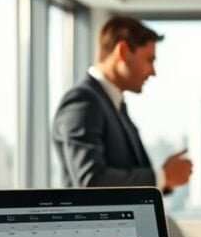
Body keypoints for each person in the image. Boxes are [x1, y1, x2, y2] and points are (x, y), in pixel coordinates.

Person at [52, 16, 192, 190]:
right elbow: (91, 180)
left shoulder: (114, 104)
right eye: (149, 60)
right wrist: (163, 176)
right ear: (123, 51)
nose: (153, 71)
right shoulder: (83, 101)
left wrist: (166, 180)